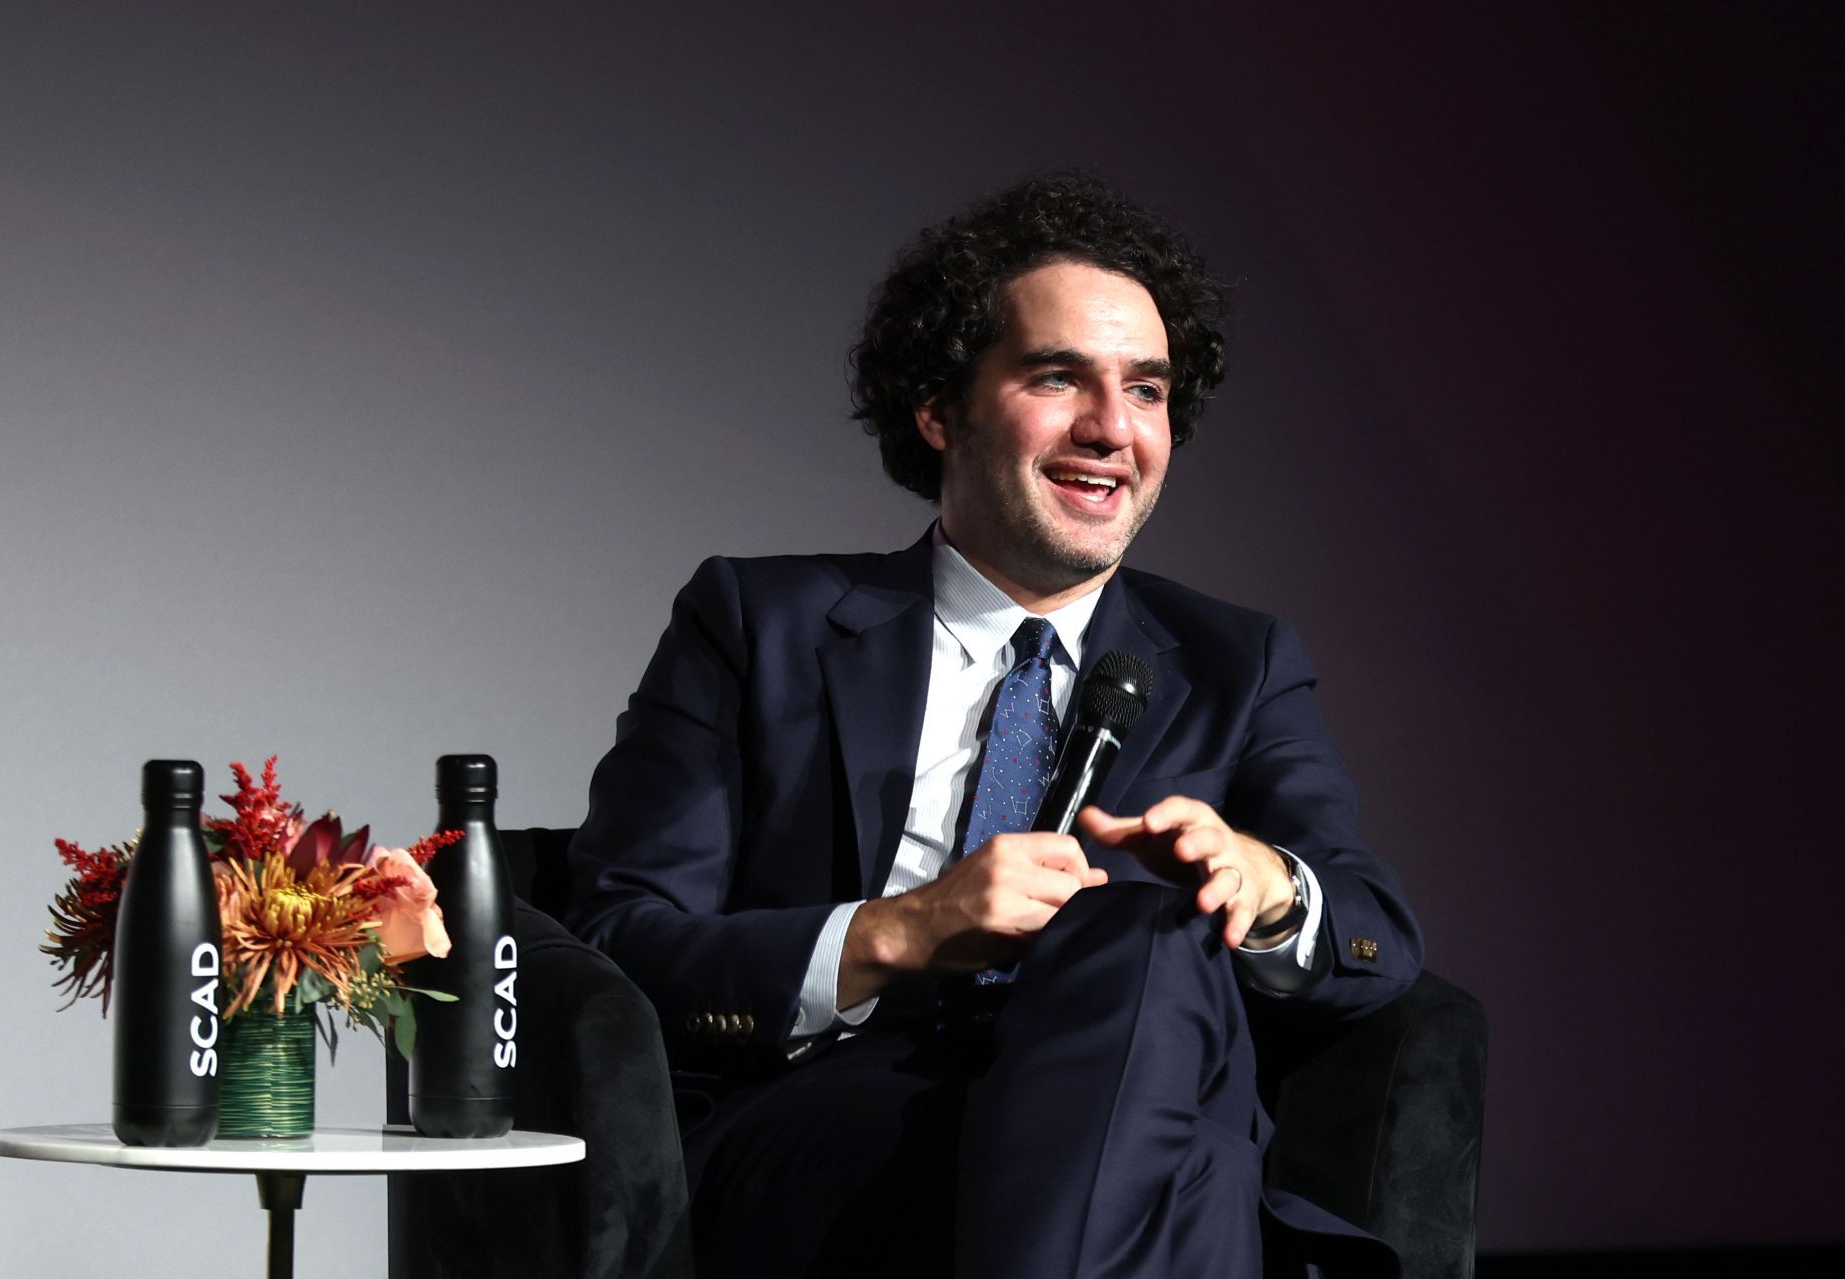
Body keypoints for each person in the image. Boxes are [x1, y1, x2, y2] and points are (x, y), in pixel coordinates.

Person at [566, 171, 1422, 1278]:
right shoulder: (757, 621)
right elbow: (620, 938)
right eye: (1059, 378)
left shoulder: (1237, 662)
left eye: (1148, 391)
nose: (1114, 428)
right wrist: (901, 929)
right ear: (938, 408)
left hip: (1140, 1092)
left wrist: (1268, 887)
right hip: (841, 1119)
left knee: (1143, 935)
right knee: (1197, 1191)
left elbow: (1376, 937)